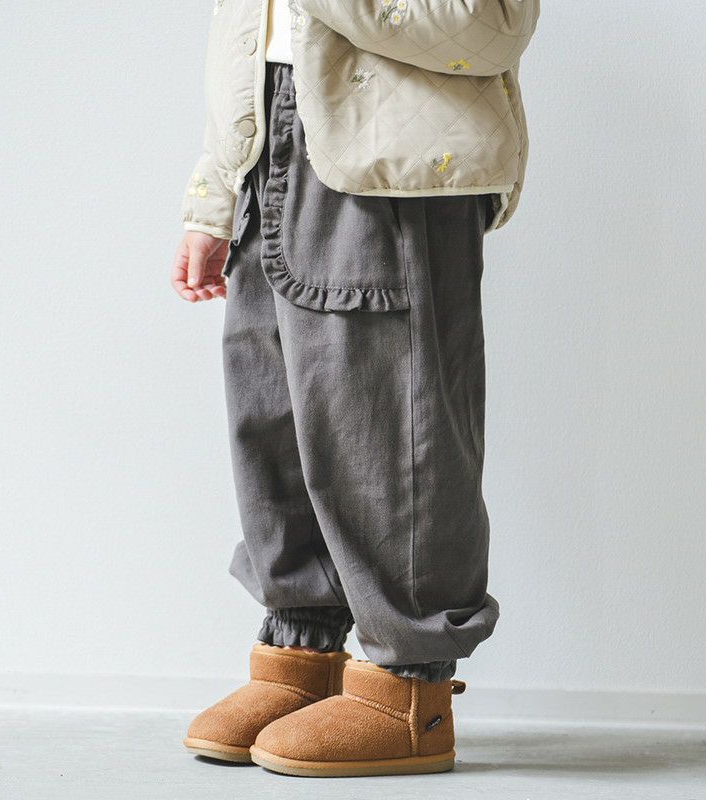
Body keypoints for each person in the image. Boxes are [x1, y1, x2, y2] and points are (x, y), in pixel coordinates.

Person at [172, 0, 539, 778]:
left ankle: (406, 691)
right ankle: (302, 658)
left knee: (386, 427)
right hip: (271, 139)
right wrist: (214, 195)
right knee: (271, 413)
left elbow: (492, 24)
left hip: (394, 159)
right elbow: (244, 37)